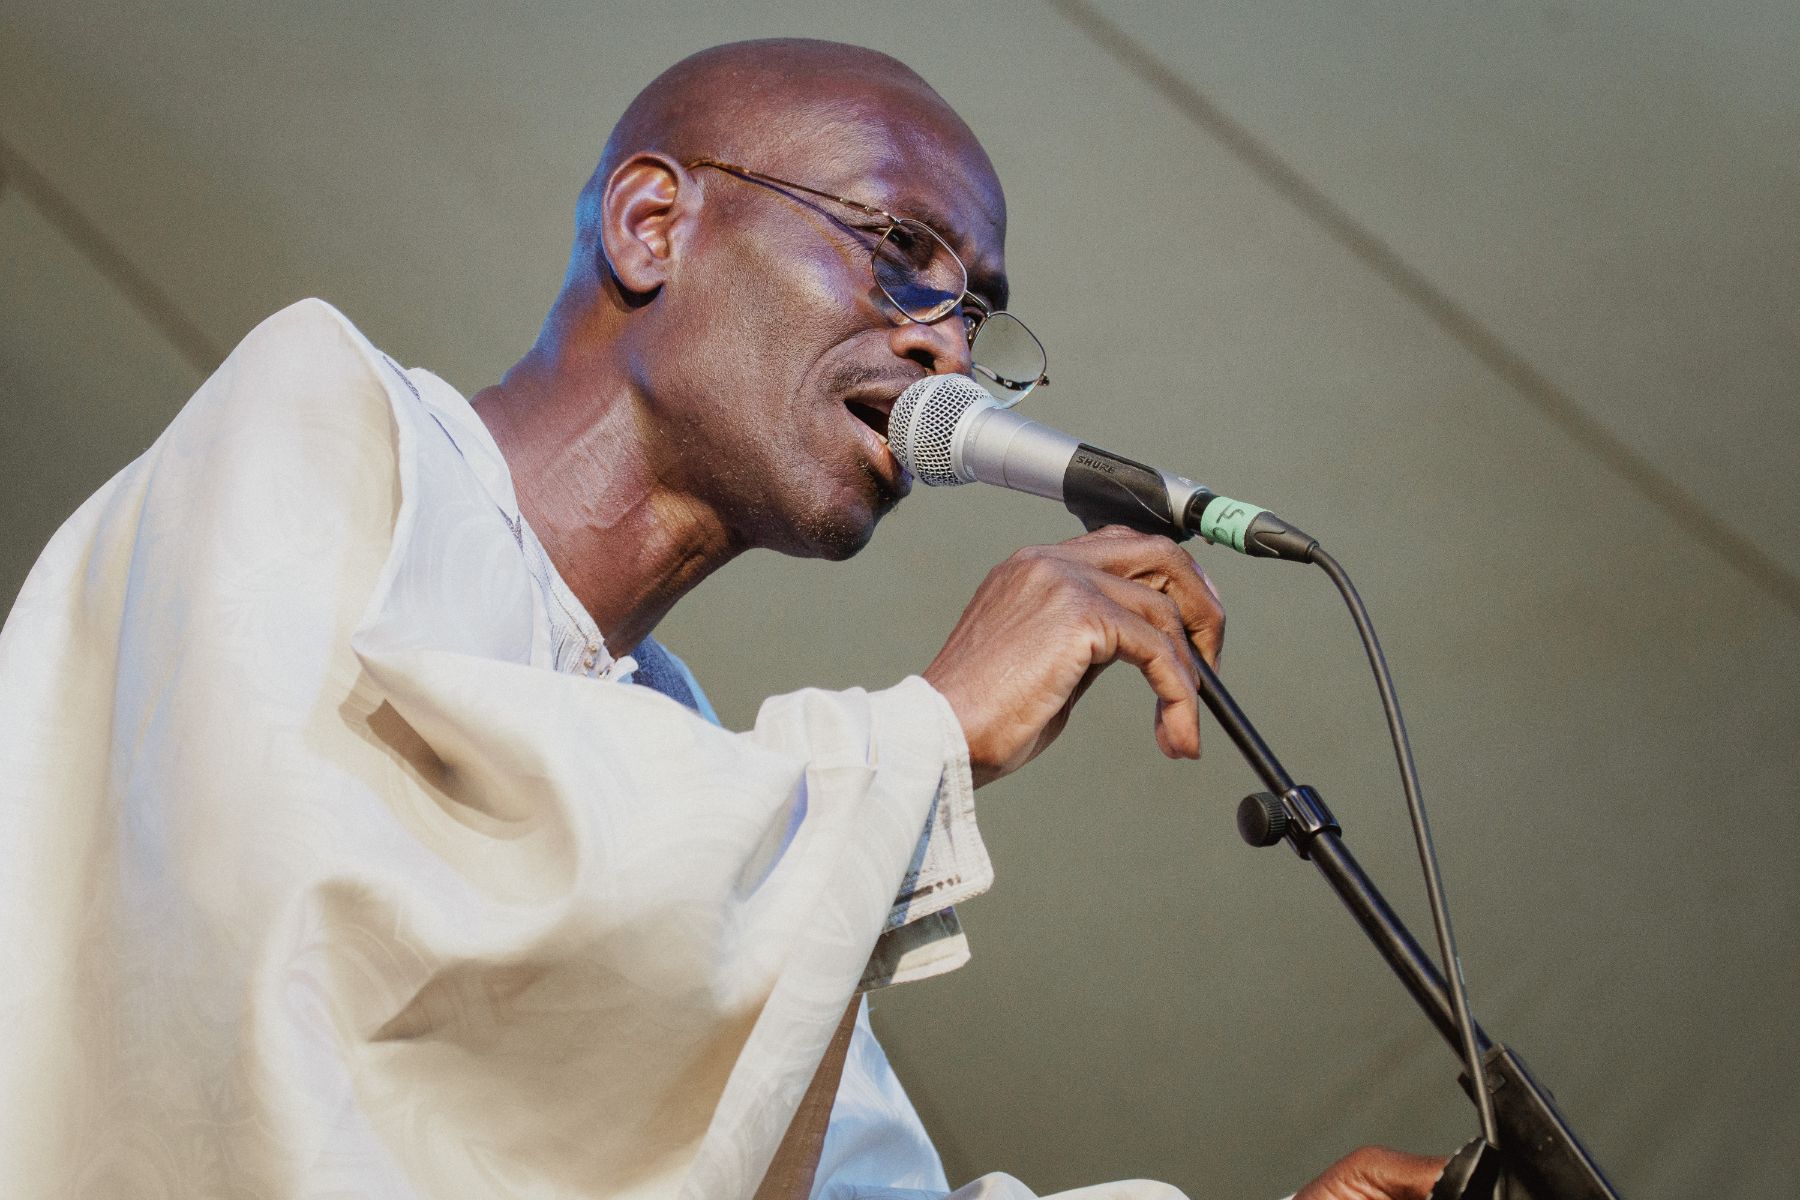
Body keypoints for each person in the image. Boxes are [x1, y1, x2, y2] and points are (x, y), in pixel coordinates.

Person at [0, 37, 1446, 1200]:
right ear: (653, 225)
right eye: (901, 248)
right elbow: (283, 914)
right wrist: (922, 738)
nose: (945, 344)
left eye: (976, 313)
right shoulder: (319, 421)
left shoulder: (694, 779)